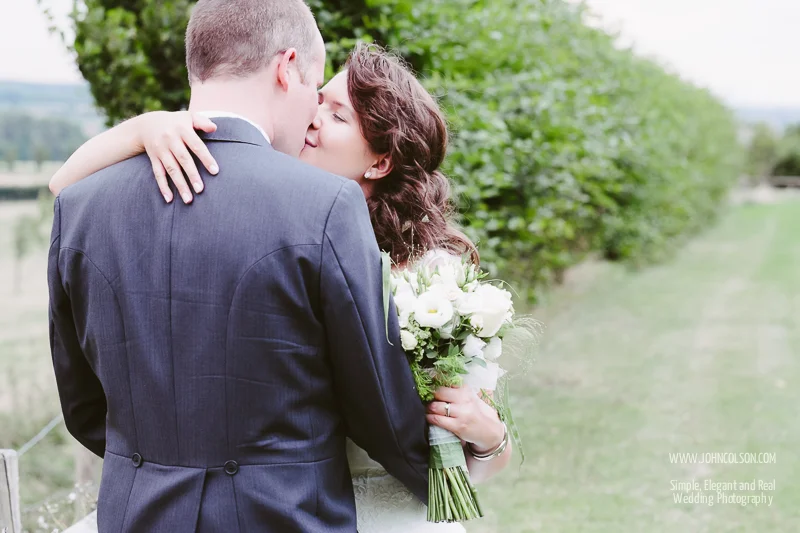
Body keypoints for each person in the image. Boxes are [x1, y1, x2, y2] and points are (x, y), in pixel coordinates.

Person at [51, 23, 511, 533]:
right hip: (289, 503)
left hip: (341, 502)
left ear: (381, 160)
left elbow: (85, 408)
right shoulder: (284, 203)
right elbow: (63, 186)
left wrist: (488, 442)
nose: (312, 118)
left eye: (337, 115)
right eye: (318, 102)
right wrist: (143, 127)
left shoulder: (431, 274)